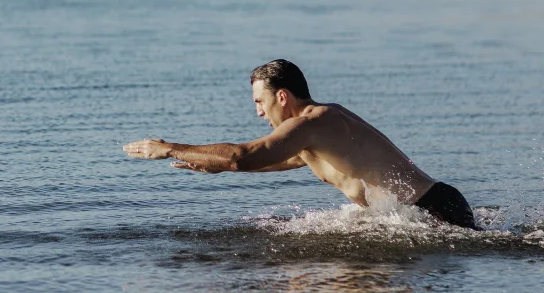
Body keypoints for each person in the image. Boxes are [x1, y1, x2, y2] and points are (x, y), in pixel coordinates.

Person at [122, 59, 477, 229]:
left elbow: (242, 156)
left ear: (281, 96)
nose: (259, 113)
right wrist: (212, 164)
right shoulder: (316, 129)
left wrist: (169, 148)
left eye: (260, 103)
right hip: (431, 204)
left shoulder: (311, 122)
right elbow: (280, 160)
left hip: (431, 209)